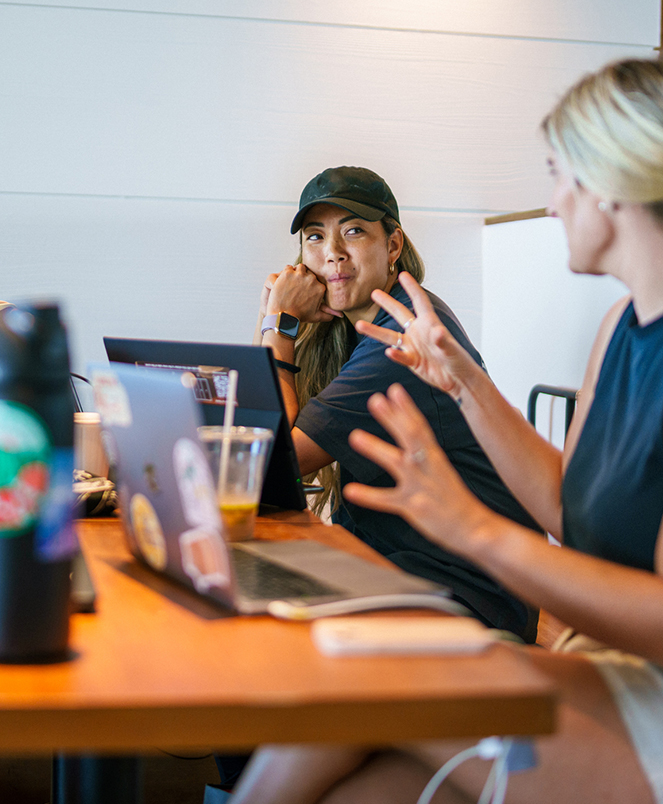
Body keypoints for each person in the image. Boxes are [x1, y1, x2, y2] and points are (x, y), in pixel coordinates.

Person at [229, 58, 663, 804]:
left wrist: (473, 530)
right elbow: (567, 507)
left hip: (645, 702)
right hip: (602, 666)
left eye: (561, 174)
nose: (553, 205)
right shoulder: (617, 330)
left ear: (615, 180)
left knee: (352, 672)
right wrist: (460, 380)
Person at [254, 165, 541, 643]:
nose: (333, 254)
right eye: (314, 237)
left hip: (463, 599)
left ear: (393, 246)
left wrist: (277, 323)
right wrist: (275, 322)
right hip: (392, 569)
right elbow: (259, 440)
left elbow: (271, 462)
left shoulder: (400, 341)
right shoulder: (367, 326)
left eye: (353, 231)